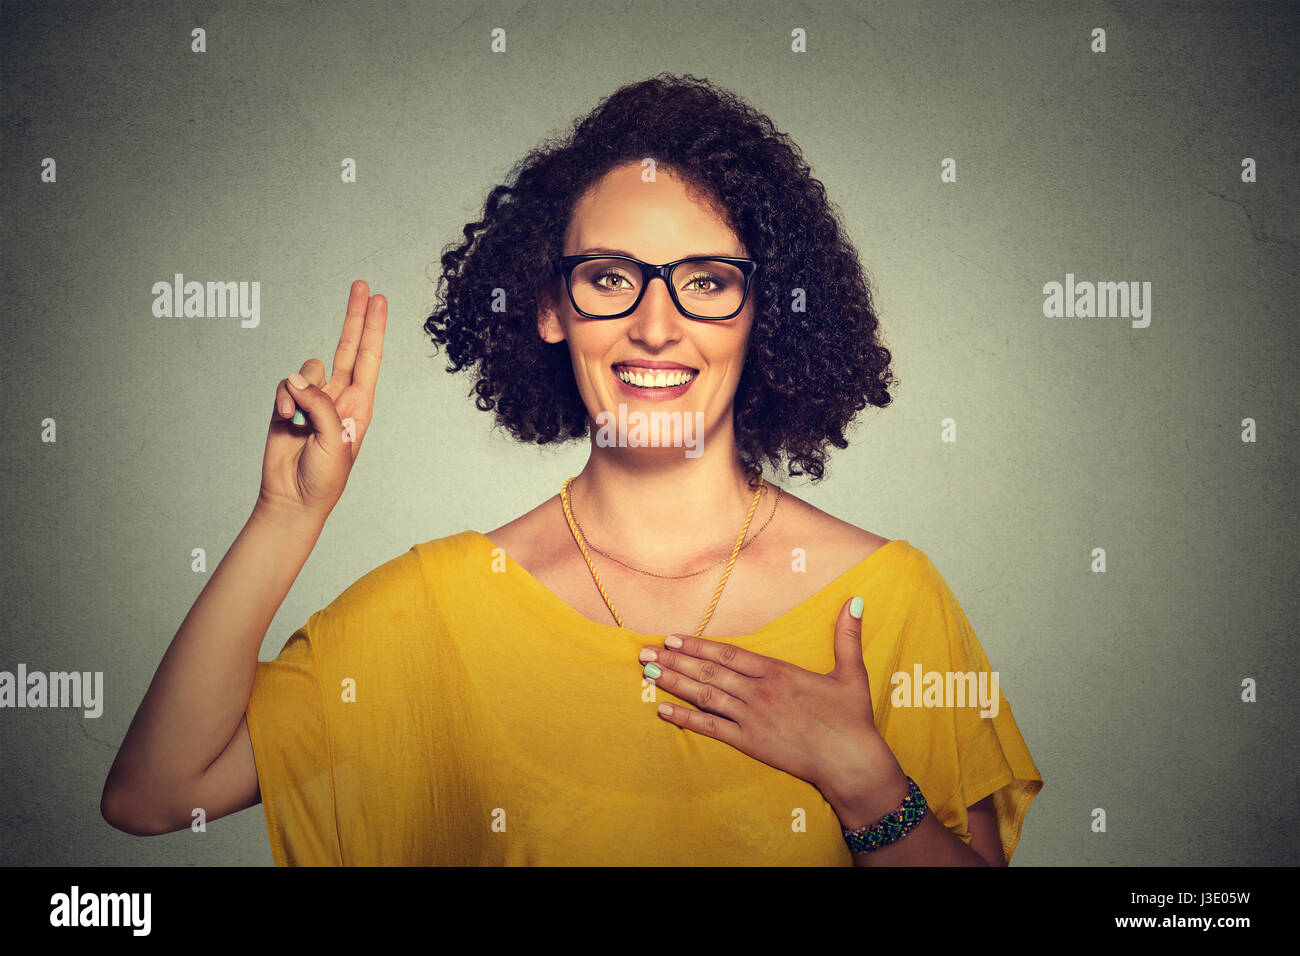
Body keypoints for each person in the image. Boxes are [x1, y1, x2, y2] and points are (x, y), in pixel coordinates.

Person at [101, 73, 1042, 865]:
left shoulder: (886, 600)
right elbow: (155, 792)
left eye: (707, 282)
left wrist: (866, 783)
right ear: (552, 307)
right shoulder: (443, 608)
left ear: (765, 315)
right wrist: (284, 515)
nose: (657, 324)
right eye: (609, 277)